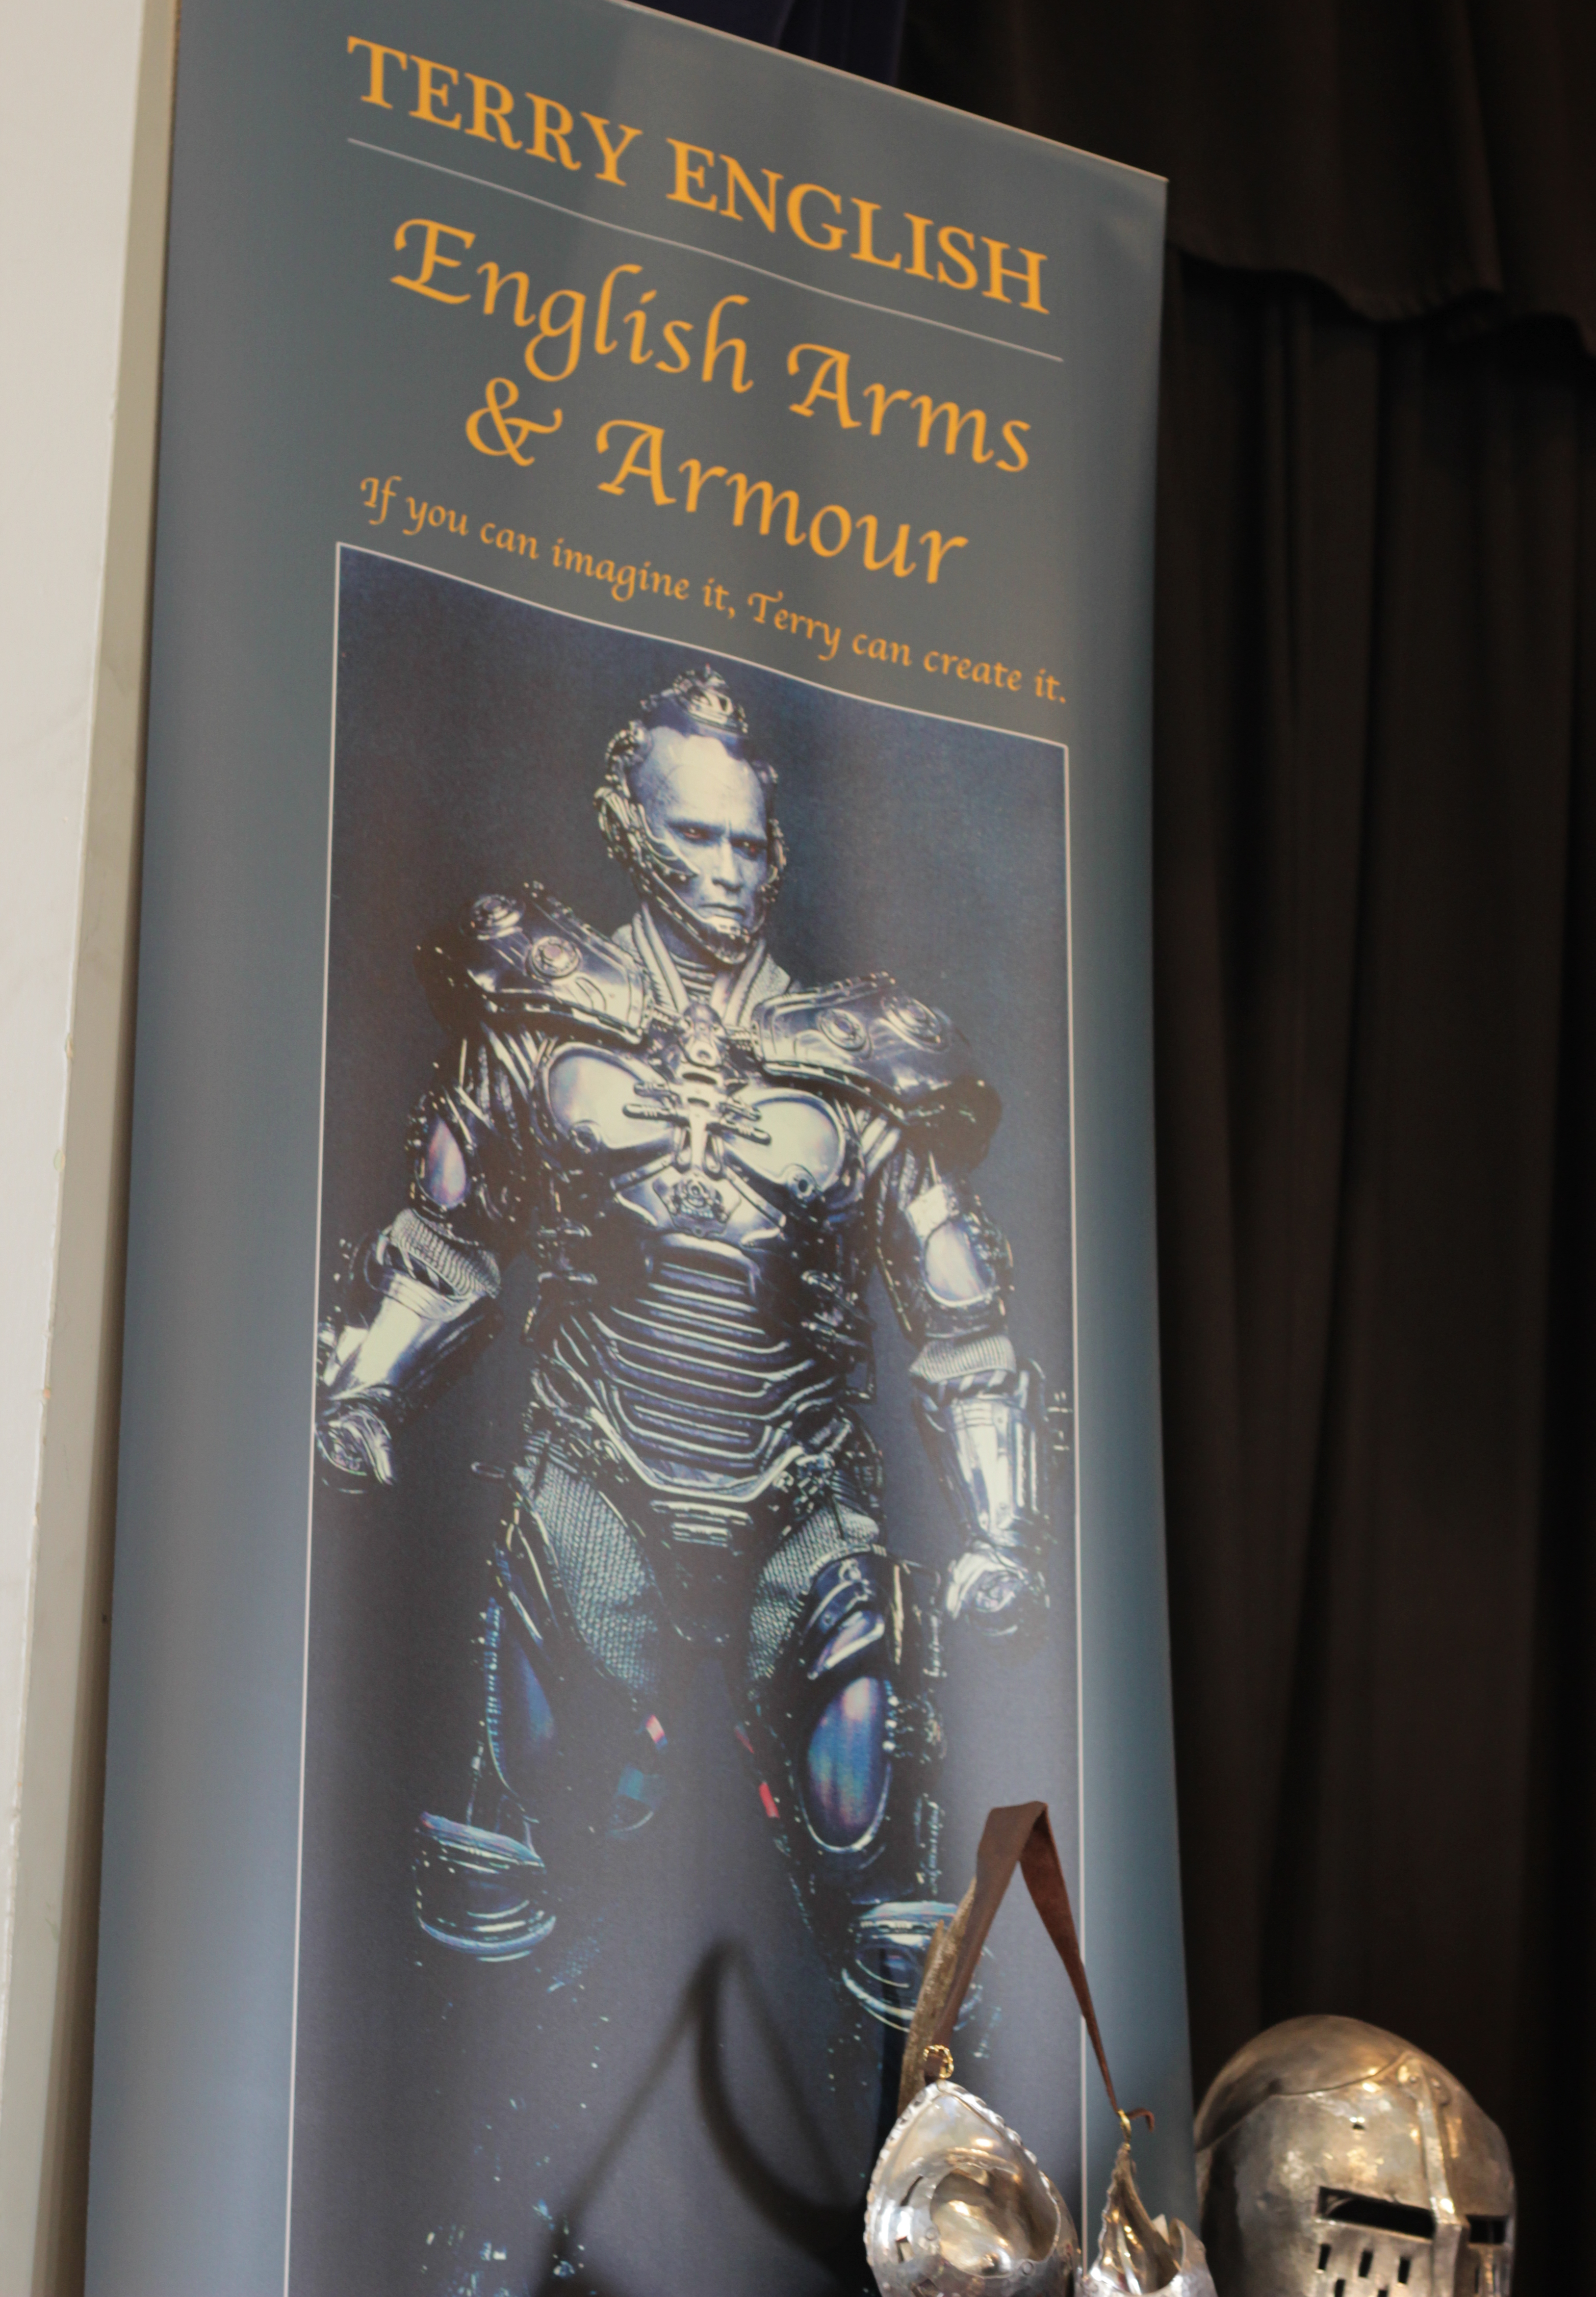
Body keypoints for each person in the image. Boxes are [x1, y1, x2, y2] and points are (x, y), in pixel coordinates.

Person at [314, 665, 1054, 2264]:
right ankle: (493, 2247)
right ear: (626, 828)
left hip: (802, 1516)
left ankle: (899, 2258)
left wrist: (1001, 1529)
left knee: (888, 1910)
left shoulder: (856, 1067)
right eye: (696, 841)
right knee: (518, 1894)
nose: (729, 876)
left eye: (751, 845)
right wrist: (363, 1392)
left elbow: (964, 1324)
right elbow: (445, 1244)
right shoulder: (542, 1026)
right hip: (595, 1499)